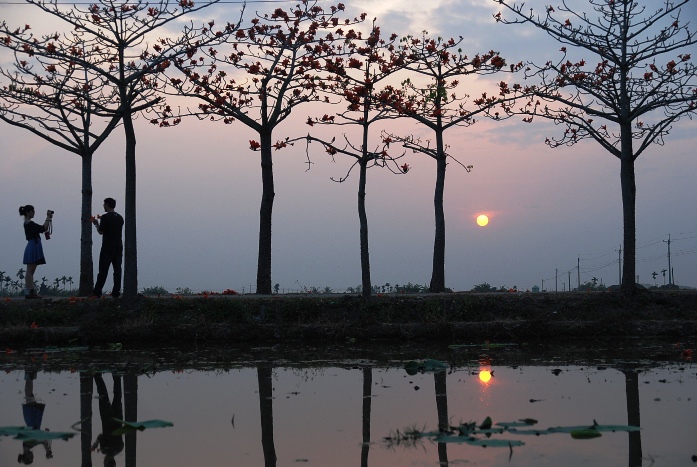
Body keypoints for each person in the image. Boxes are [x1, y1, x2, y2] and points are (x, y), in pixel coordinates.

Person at [92, 198, 124, 298]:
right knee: (117, 270)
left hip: (107, 246)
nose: (103, 206)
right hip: (119, 246)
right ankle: (116, 292)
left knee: (103, 270)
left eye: (104, 204)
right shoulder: (120, 218)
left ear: (107, 204)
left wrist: (96, 224)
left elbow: (101, 232)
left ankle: (97, 292)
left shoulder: (105, 217)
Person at [19, 205, 52, 299]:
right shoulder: (30, 224)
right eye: (32, 211)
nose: (34, 213)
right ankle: (30, 292)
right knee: (30, 270)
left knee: (30, 270)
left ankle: (29, 291)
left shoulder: (27, 223)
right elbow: (43, 228)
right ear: (28, 212)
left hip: (33, 245)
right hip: (34, 246)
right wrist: (48, 217)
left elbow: (43, 228)